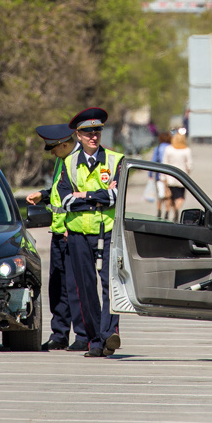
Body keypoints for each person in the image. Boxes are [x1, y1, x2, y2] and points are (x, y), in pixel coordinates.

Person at [60, 107, 125, 358]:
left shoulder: (115, 160)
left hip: (107, 232)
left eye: (97, 130)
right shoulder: (68, 163)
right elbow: (64, 199)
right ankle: (95, 341)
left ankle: (109, 335)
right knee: (85, 289)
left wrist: (83, 195)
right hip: (78, 234)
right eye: (87, 132)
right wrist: (99, 196)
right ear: (78, 135)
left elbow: (117, 196)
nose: (93, 136)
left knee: (111, 285)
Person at [24, 123, 88, 351]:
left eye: (53, 148)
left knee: (76, 288)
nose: (51, 153)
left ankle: (83, 336)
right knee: (58, 286)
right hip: (59, 232)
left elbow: (82, 196)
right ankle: (59, 334)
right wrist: (43, 195)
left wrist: (74, 228)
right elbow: (61, 192)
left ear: (64, 144)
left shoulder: (81, 160)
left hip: (75, 232)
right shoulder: (63, 160)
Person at [160, 128, 193, 221]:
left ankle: (167, 211)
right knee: (180, 197)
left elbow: (164, 163)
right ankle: (177, 209)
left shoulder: (169, 149)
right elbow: (190, 165)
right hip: (182, 177)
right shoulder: (187, 150)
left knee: (169, 196)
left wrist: (163, 177)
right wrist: (188, 172)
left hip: (169, 177)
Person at [151, 131, 173, 219]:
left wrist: (150, 174)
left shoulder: (158, 148)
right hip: (169, 174)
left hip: (159, 174)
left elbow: (153, 161)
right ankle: (167, 211)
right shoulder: (171, 148)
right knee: (168, 194)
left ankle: (159, 211)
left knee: (160, 194)